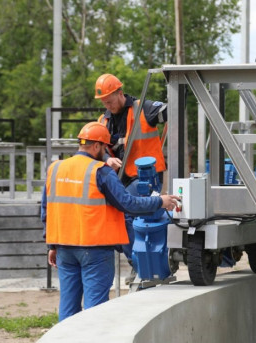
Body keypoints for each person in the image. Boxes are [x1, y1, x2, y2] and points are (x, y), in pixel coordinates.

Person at [41, 122, 179, 321]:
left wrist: (51, 245)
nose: (105, 153)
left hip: (63, 248)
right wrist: (160, 201)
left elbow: (47, 210)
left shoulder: (55, 169)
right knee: (95, 311)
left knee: (68, 308)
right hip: (95, 249)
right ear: (96, 146)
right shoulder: (100, 171)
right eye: (105, 148)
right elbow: (128, 203)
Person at [94, 73, 168, 277]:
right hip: (120, 178)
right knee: (107, 214)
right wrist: (106, 160)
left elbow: (172, 110)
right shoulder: (103, 120)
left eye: (109, 101)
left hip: (146, 177)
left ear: (119, 93)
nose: (107, 106)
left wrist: (176, 91)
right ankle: (135, 257)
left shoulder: (144, 108)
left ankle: (138, 262)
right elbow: (96, 151)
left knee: (124, 211)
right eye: (104, 103)